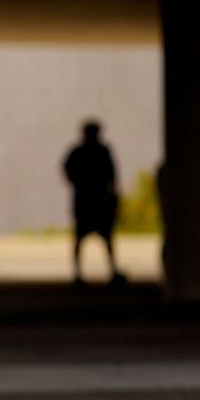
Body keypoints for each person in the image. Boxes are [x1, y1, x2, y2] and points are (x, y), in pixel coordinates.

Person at [62, 120, 126, 289]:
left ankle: (81, 274)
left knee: (89, 238)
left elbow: (67, 171)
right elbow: (112, 176)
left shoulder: (83, 151)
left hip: (89, 199)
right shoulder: (98, 151)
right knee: (99, 238)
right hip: (94, 198)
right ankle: (86, 273)